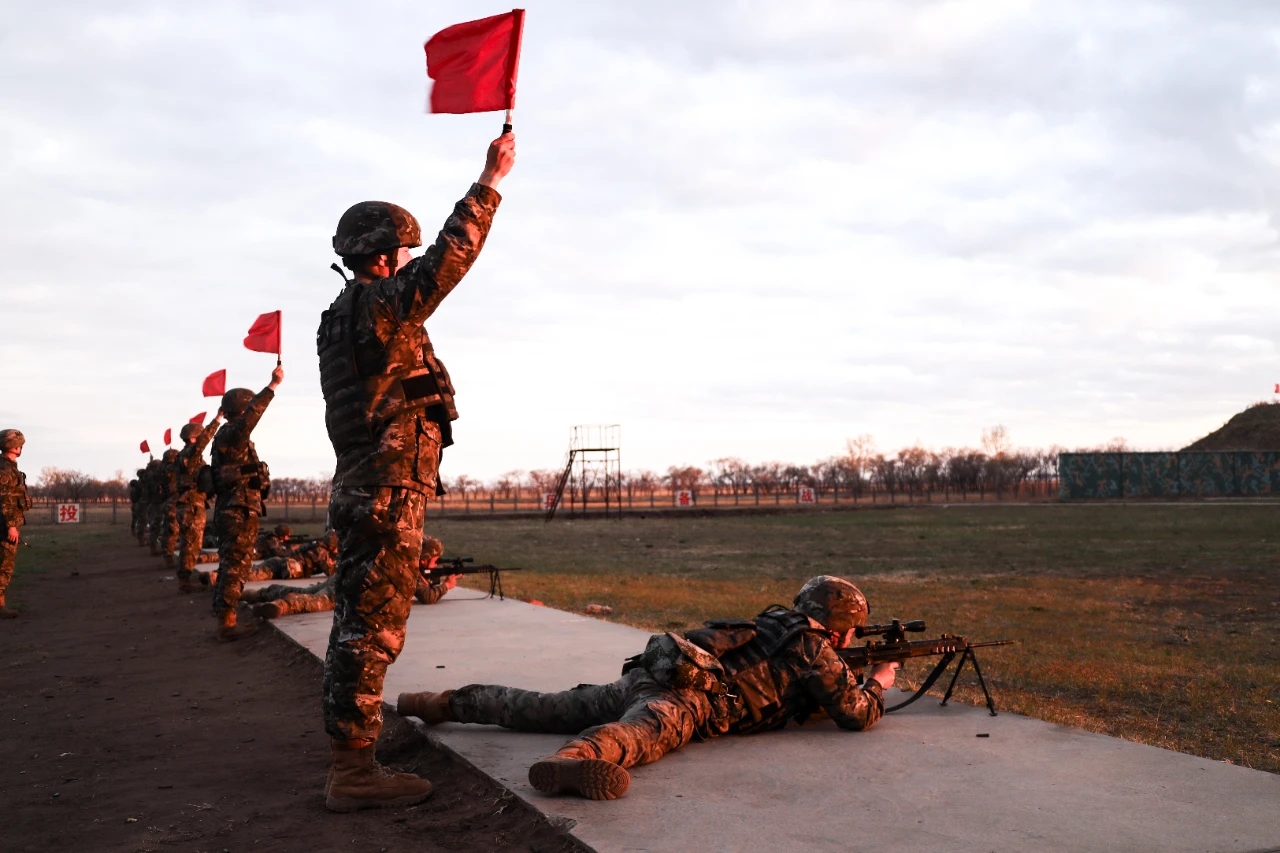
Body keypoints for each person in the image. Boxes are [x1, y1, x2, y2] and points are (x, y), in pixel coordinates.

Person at [315, 130, 516, 811]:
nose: (408, 259)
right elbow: (444, 265)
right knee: (373, 628)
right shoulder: (376, 306)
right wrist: (489, 181)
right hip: (386, 489)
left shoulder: (341, 316)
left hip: (363, 486)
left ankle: (352, 750)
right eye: (401, 249)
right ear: (381, 252)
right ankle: (352, 770)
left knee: (355, 622)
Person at [397, 576, 899, 801]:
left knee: (544, 706)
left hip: (649, 673)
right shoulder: (815, 649)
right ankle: (576, 758)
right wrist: (878, 684)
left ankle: (441, 703)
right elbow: (853, 713)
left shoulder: (775, 624)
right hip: (686, 699)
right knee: (641, 734)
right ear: (840, 624)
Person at [210, 366, 283, 641]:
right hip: (236, 510)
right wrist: (272, 387)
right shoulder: (232, 434)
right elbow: (250, 419)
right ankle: (227, 624)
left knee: (232, 564)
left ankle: (225, 617)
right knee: (236, 566)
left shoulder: (232, 438)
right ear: (241, 410)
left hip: (238, 508)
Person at [248, 535, 454, 619]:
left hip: (345, 576)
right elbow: (427, 596)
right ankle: (282, 606)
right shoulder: (408, 567)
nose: (435, 563)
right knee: (315, 601)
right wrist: (448, 585)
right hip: (354, 591)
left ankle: (259, 594)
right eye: (434, 559)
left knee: (306, 591)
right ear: (425, 557)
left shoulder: (394, 554)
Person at [174, 415, 222, 593]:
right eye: (199, 437)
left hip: (190, 503)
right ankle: (184, 582)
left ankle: (185, 578)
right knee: (191, 544)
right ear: (193, 438)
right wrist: (218, 419)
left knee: (191, 543)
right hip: (191, 505)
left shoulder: (184, 456)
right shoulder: (190, 454)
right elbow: (205, 439)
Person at [0, 430, 33, 618]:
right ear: (15, 447)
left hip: (5, 523)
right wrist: (11, 525)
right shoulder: (5, 470)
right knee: (4, 565)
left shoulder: (7, 467)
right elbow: (4, 499)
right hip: (4, 525)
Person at [157, 448, 182, 571]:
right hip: (172, 503)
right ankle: (169, 559)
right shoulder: (169, 469)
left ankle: (168, 557)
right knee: (172, 532)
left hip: (168, 502)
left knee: (169, 531)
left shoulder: (162, 469)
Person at [144, 455, 166, 556]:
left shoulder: (149, 477)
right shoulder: (153, 478)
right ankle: (153, 548)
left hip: (154, 504)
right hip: (156, 504)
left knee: (155, 526)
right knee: (155, 526)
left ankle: (153, 546)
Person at [128, 470, 146, 544]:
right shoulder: (138, 487)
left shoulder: (133, 489)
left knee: (135, 519)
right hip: (138, 504)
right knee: (141, 520)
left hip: (134, 505)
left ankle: (135, 531)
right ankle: (141, 537)